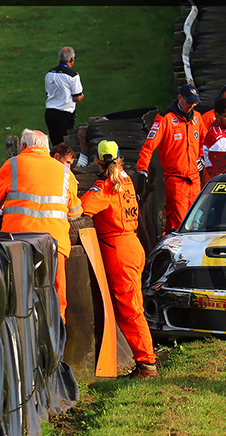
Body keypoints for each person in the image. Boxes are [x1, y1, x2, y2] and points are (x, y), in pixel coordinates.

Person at [0, 129, 82, 322]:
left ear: (24, 146)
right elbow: (76, 212)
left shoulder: (13, 165)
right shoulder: (65, 172)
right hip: (55, 244)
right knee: (57, 299)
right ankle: (57, 346)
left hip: (17, 243)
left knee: (19, 300)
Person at [80, 141, 158, 379]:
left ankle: (147, 364)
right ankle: (146, 361)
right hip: (133, 245)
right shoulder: (127, 179)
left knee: (130, 310)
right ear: (119, 157)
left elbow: (82, 208)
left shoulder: (105, 185)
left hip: (118, 250)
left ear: (97, 160)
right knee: (133, 307)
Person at [136, 83, 207, 236]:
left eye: (194, 102)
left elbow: (204, 139)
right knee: (181, 224)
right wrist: (142, 168)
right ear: (180, 98)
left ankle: (167, 246)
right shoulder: (164, 119)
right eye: (189, 101)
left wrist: (201, 156)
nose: (192, 105)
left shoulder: (197, 118)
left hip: (194, 180)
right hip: (176, 179)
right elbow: (148, 146)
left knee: (194, 222)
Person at [45, 46, 84, 148]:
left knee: (55, 144)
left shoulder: (49, 74)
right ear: (72, 59)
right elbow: (77, 97)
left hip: (50, 113)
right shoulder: (72, 76)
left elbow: (48, 93)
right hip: (64, 114)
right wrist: (82, 95)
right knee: (65, 146)